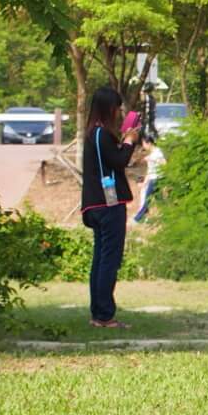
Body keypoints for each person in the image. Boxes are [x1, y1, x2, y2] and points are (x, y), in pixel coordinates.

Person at [80, 85, 144, 329]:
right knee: (109, 260)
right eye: (117, 108)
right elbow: (118, 162)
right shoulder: (101, 135)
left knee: (100, 259)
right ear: (109, 109)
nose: (119, 113)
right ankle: (105, 315)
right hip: (108, 204)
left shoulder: (92, 134)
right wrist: (129, 142)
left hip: (95, 205)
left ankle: (99, 313)